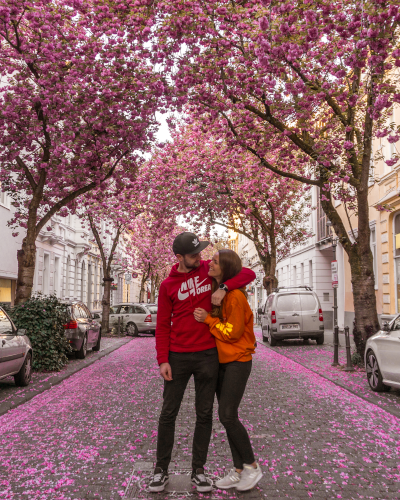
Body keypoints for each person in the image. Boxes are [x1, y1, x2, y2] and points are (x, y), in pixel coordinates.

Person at [149, 232, 255, 493]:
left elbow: (248, 274)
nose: (201, 257)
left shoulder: (209, 270)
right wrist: (163, 359)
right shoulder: (167, 286)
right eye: (195, 254)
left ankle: (199, 470)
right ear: (179, 258)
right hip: (178, 355)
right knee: (168, 413)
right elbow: (162, 325)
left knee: (204, 414)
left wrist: (225, 287)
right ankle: (160, 470)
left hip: (209, 355)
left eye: (201, 253)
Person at [193, 249, 262, 492]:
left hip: (237, 362)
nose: (209, 263)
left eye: (214, 261)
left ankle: (252, 466)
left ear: (226, 268)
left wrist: (208, 320)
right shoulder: (222, 289)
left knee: (228, 415)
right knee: (227, 415)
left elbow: (232, 333)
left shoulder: (235, 297)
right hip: (224, 362)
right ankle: (239, 470)